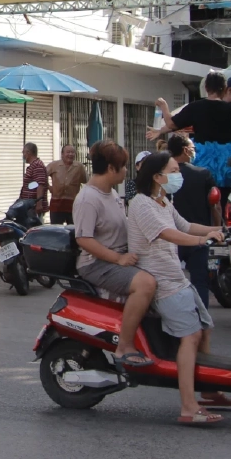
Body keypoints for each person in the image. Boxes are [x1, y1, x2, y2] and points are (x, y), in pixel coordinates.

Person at [129, 152, 229, 425]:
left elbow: (185, 226)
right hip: (161, 283)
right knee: (191, 336)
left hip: (176, 278)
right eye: (173, 171)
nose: (178, 176)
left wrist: (219, 229)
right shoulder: (141, 204)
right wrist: (200, 241)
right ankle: (188, 407)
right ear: (157, 177)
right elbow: (167, 233)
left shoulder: (163, 201)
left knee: (204, 329)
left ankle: (208, 388)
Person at [72, 141, 156, 367]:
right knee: (145, 284)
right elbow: (84, 239)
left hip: (119, 258)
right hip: (97, 264)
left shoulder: (111, 194)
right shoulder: (88, 198)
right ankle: (124, 347)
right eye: (124, 166)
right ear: (111, 168)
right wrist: (118, 258)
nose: (127, 170)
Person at [148, 72, 231, 188]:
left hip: (203, 159)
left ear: (206, 88)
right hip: (228, 162)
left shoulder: (195, 107)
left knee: (203, 192)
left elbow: (171, 124)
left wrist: (164, 106)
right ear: (225, 88)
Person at [167, 135, 217, 308]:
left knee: (169, 282)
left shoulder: (162, 179)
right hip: (197, 237)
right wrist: (216, 228)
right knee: (200, 282)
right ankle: (201, 318)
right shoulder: (202, 174)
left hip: (173, 238)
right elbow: (214, 205)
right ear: (186, 150)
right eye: (192, 148)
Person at [46, 145, 87, 225]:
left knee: (73, 230)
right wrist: (49, 187)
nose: (70, 154)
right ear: (62, 154)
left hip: (73, 203)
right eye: (68, 152)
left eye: (72, 152)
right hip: (57, 203)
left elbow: (86, 181)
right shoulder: (54, 165)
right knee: (56, 229)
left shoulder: (79, 167)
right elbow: (42, 176)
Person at [21, 143, 49, 216]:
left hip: (34, 207)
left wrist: (39, 204)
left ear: (28, 153)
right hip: (29, 206)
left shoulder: (37, 166)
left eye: (23, 152)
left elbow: (40, 185)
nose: (23, 155)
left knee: (35, 227)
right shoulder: (33, 166)